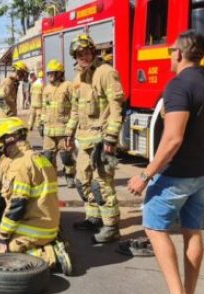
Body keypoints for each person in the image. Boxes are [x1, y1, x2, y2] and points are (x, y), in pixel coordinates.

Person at [127, 30, 204, 294]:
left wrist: (145, 175)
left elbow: (173, 139)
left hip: (178, 174)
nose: (169, 56)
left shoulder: (178, 86)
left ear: (178, 53)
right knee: (192, 229)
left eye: (170, 51)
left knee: (154, 226)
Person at [67, 34, 125, 243]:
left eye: (86, 52)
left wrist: (110, 138)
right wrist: (69, 132)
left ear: (93, 51)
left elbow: (117, 107)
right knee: (82, 180)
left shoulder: (106, 73)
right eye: (79, 54)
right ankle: (93, 217)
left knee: (102, 183)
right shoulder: (78, 77)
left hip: (101, 138)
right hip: (84, 139)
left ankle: (111, 227)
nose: (83, 56)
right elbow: (75, 109)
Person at [0, 117, 72, 274]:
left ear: (11, 139)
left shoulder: (20, 164)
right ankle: (52, 244)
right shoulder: (40, 158)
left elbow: (17, 205)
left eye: (3, 142)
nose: (3, 148)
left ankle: (49, 255)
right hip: (51, 223)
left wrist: (2, 235)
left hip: (36, 228)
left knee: (7, 251)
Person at [40, 59, 76, 188]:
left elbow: (75, 108)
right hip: (49, 131)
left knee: (66, 157)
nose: (49, 76)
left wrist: (72, 128)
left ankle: (70, 176)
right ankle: (51, 180)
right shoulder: (46, 89)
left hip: (64, 130)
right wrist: (41, 122)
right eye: (48, 73)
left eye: (52, 73)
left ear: (60, 74)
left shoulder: (68, 86)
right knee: (48, 157)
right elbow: (44, 107)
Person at [27, 71, 45, 140]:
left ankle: (29, 128)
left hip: (33, 104)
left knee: (31, 116)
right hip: (39, 104)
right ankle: (41, 133)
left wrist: (29, 101)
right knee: (39, 119)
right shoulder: (42, 84)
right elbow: (44, 94)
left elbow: (30, 93)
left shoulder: (34, 84)